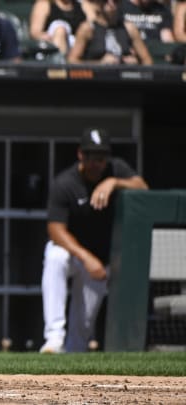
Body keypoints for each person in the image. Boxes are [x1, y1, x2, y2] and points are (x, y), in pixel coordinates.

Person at [40, 128, 148, 353]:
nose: (95, 162)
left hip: (100, 262)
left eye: (100, 157)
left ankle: (71, 359)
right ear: (80, 155)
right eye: (90, 156)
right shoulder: (65, 183)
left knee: (81, 336)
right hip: (77, 254)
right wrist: (87, 258)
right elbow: (55, 230)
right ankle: (53, 338)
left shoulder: (115, 169)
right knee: (54, 255)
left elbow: (143, 187)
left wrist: (114, 183)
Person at [67, 0, 153, 64]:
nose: (111, 4)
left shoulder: (129, 28)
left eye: (115, 1)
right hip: (96, 81)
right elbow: (72, 60)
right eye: (106, 1)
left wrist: (135, 64)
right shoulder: (88, 28)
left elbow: (147, 60)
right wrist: (99, 63)